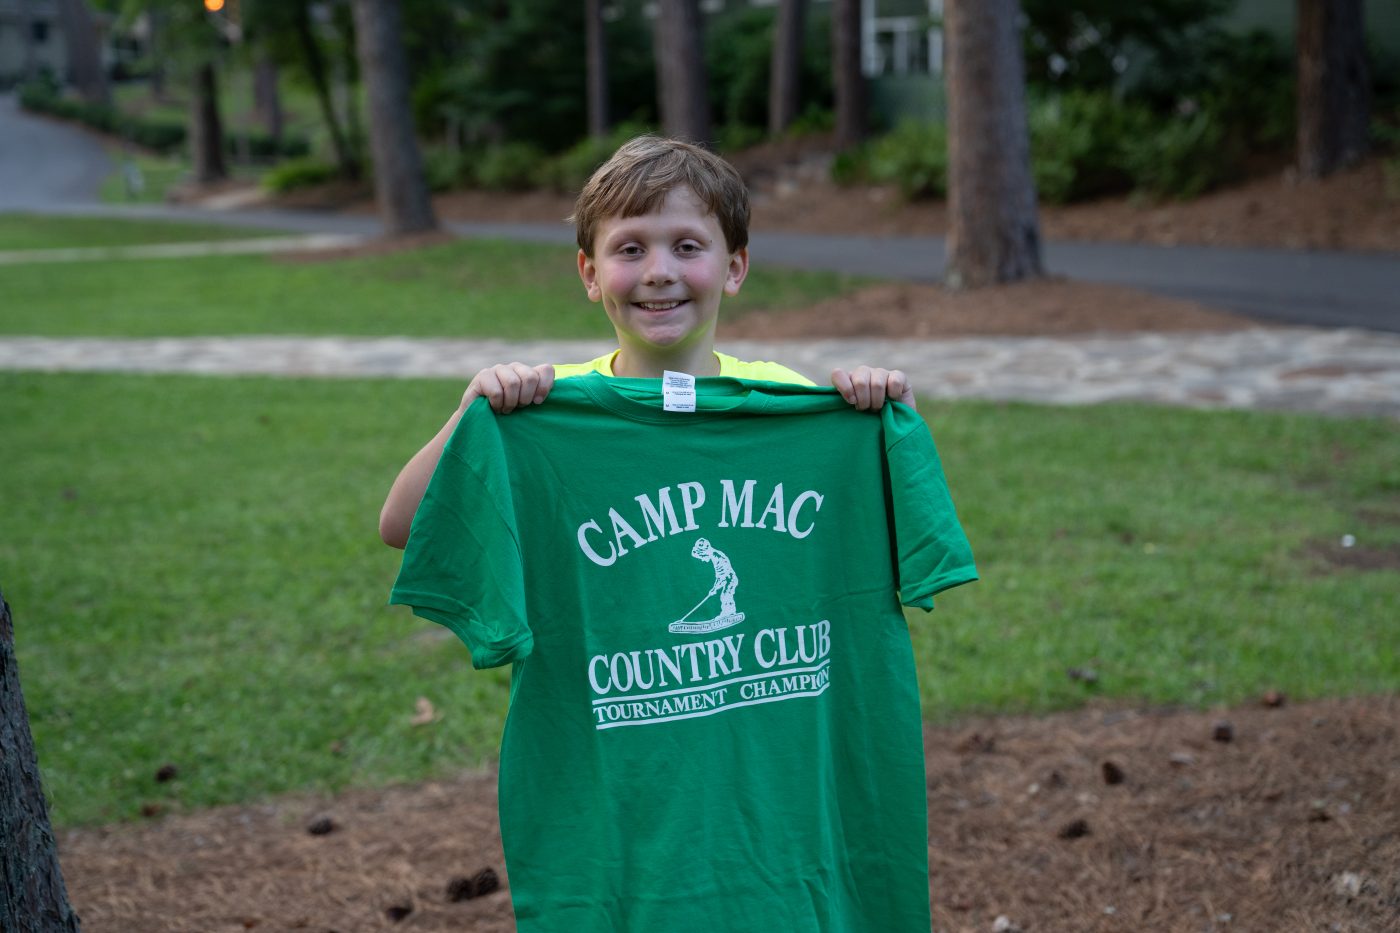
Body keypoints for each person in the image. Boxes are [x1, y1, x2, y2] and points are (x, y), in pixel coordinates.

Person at [378, 135, 915, 549]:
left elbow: (885, 534)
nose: (659, 272)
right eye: (630, 249)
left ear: (734, 268)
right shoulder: (543, 406)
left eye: (687, 247)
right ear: (591, 274)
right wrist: (471, 417)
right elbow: (402, 526)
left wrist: (894, 423)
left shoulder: (782, 399)